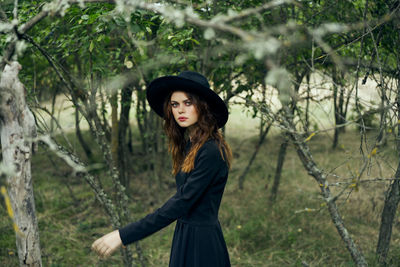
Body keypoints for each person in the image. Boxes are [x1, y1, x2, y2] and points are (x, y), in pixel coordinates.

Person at [91, 71, 233, 267]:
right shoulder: (190, 145)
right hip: (184, 235)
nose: (180, 110)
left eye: (188, 103)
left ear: (203, 106)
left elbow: (181, 203)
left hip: (202, 244)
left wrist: (123, 235)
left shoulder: (211, 151)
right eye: (175, 104)